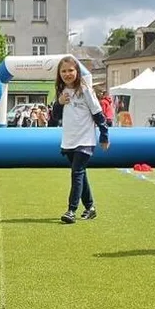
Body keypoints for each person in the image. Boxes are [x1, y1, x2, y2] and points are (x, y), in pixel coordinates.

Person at [56, 56, 109, 224]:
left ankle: (71, 210)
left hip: (85, 139)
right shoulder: (62, 90)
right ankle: (90, 207)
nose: (67, 74)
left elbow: (98, 113)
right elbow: (55, 117)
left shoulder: (85, 89)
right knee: (80, 173)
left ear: (77, 71)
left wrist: (104, 134)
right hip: (69, 139)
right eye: (63, 71)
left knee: (76, 172)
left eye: (70, 70)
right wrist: (59, 103)